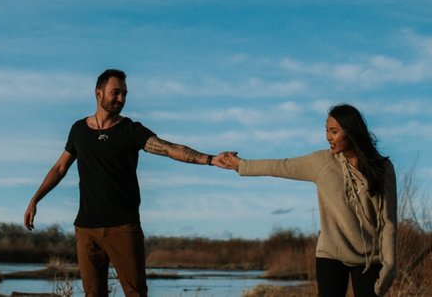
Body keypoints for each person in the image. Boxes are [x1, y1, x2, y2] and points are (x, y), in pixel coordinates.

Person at [24, 68, 232, 297]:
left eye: (124, 93)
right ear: (98, 93)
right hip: (86, 228)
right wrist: (35, 199)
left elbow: (169, 148)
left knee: (135, 293)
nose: (121, 99)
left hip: (123, 227)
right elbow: (60, 168)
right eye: (116, 93)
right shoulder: (79, 130)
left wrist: (211, 159)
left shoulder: (130, 130)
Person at [219, 104, 397, 297]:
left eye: (334, 131)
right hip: (331, 254)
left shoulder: (383, 167)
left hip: (370, 258)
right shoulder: (322, 162)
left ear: (351, 131)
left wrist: (390, 264)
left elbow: (388, 222)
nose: (328, 137)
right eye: (327, 131)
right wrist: (241, 165)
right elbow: (282, 166)